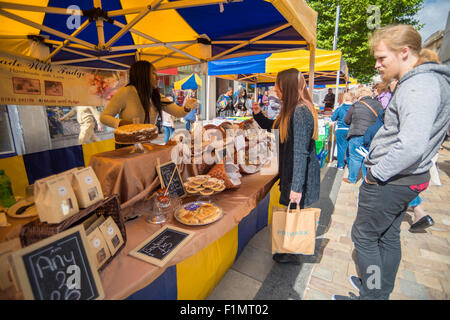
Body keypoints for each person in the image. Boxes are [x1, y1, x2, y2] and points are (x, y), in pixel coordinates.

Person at [333, 25, 450, 301]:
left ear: (404, 52)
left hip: (392, 179)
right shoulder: (426, 82)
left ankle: (372, 295)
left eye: (382, 57)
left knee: (364, 238)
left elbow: (411, 144)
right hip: (405, 179)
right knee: (386, 236)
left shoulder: (419, 86)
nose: (377, 64)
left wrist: (376, 174)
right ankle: (378, 290)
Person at [252, 68, 320, 265]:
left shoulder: (299, 111)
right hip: (292, 172)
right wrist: (258, 115)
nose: (275, 89)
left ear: (287, 87)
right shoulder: (292, 109)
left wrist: (296, 188)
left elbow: (300, 152)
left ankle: (291, 250)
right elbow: (275, 127)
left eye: (278, 85)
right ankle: (288, 248)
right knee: (290, 211)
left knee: (293, 212)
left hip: (297, 174)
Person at [100, 60, 196, 148]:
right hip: (126, 146)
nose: (158, 77)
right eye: (153, 73)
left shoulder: (156, 95)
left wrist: (187, 107)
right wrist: (122, 123)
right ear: (143, 75)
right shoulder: (125, 92)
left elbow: (178, 112)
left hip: (146, 143)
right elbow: (104, 117)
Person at [342, 86, 383, 184]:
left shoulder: (356, 105)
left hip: (357, 134)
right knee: (369, 157)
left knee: (355, 157)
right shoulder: (378, 104)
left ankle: (352, 178)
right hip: (374, 135)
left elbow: (346, 120)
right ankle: (367, 179)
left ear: (359, 95)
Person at [331, 92, 354, 170]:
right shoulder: (355, 108)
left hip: (341, 130)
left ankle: (340, 165)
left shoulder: (340, 108)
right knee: (349, 149)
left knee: (340, 148)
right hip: (351, 130)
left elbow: (333, 118)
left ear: (344, 99)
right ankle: (350, 165)